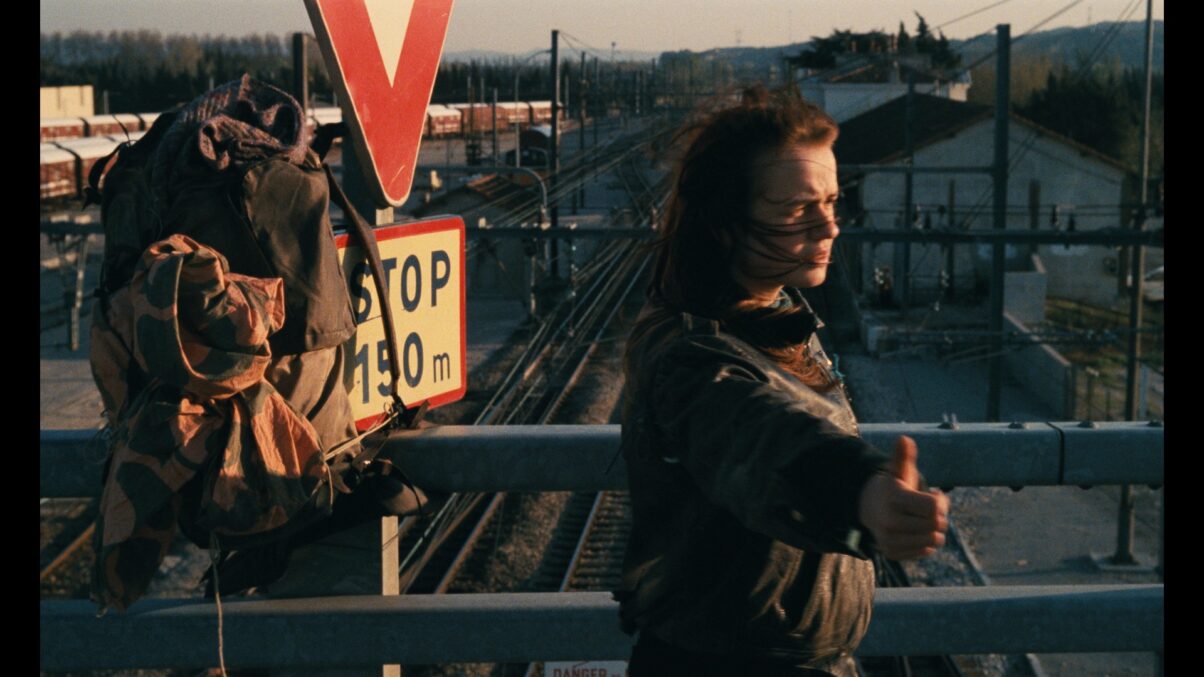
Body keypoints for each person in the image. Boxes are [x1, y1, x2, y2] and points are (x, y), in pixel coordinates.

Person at [616, 86, 950, 676]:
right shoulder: (693, 360)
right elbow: (763, 440)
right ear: (725, 224)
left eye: (832, 202)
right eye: (798, 209)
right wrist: (861, 493)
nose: (830, 228)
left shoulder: (776, 316)